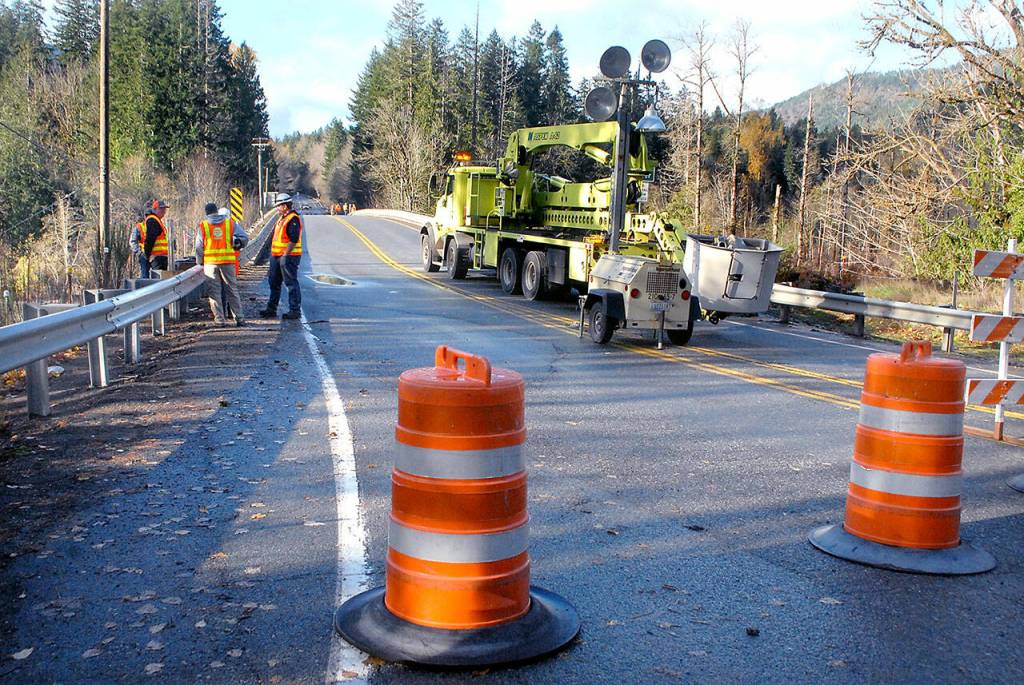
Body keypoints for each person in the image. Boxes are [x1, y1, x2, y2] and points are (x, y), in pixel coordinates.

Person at [195, 202, 248, 326]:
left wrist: (199, 262)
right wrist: (237, 245)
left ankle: (219, 320)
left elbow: (198, 247)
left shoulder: (203, 226)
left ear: (206, 213)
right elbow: (244, 238)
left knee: (214, 292)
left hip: (210, 264)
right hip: (228, 263)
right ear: (217, 211)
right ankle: (239, 318)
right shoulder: (229, 223)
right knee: (232, 290)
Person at [259, 192, 302, 320]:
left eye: (279, 205)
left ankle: (295, 310)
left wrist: (285, 255)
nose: (277, 208)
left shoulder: (293, 219)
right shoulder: (282, 218)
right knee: (274, 282)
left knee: (291, 283)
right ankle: (271, 309)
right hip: (276, 256)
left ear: (285, 206)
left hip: (288, 256)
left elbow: (293, 239)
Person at [139, 199, 170, 277]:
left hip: (159, 257)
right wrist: (147, 254)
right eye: (161, 208)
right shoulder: (152, 220)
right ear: (155, 209)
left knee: (159, 280)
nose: (164, 211)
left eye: (164, 209)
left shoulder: (156, 220)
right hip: (156, 257)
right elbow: (150, 239)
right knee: (158, 280)